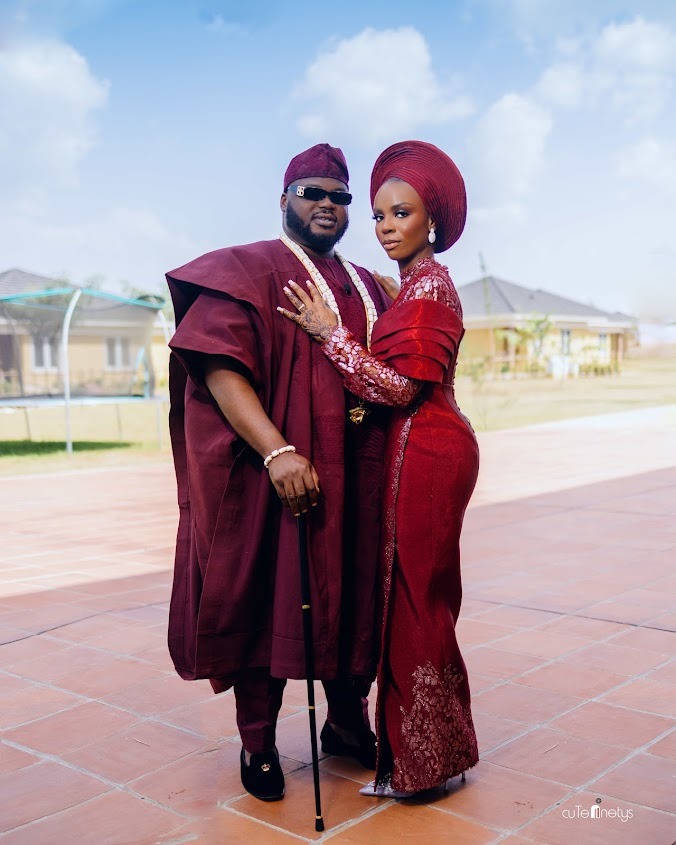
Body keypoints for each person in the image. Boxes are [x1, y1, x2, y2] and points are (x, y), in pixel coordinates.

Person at [165, 143, 391, 802]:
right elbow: (217, 366)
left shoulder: (369, 284)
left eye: (339, 196)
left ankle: (347, 724)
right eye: (313, 192)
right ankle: (258, 743)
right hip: (280, 476)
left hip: (358, 476)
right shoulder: (251, 267)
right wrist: (276, 450)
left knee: (353, 597)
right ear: (286, 198)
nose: (327, 205)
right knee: (269, 596)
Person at [279, 140, 479, 797]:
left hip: (428, 448)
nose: (386, 225)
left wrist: (326, 333)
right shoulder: (412, 286)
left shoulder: (426, 290)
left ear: (433, 222)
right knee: (416, 597)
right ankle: (432, 750)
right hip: (421, 446)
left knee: (415, 599)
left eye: (401, 213)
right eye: (379, 215)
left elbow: (399, 388)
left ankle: (422, 766)